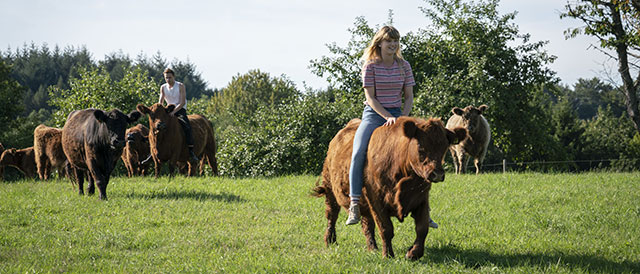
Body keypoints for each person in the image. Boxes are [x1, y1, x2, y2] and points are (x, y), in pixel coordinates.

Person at [345, 26, 438, 229]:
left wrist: (402, 118)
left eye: (395, 41)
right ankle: (354, 203)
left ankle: (425, 211)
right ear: (379, 43)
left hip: (398, 114)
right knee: (358, 152)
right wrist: (386, 117)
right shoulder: (370, 66)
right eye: (389, 41)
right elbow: (370, 97)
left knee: (419, 153)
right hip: (373, 115)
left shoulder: (404, 66)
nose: (393, 44)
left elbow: (409, 96)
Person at [159, 68, 199, 164]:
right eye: (166, 78)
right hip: (168, 110)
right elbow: (160, 101)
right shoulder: (163, 87)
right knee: (158, 126)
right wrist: (161, 110)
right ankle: (153, 151)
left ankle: (191, 151)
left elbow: (182, 102)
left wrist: (174, 112)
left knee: (187, 126)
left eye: (170, 77)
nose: (168, 80)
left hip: (180, 109)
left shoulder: (180, 86)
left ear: (174, 77)